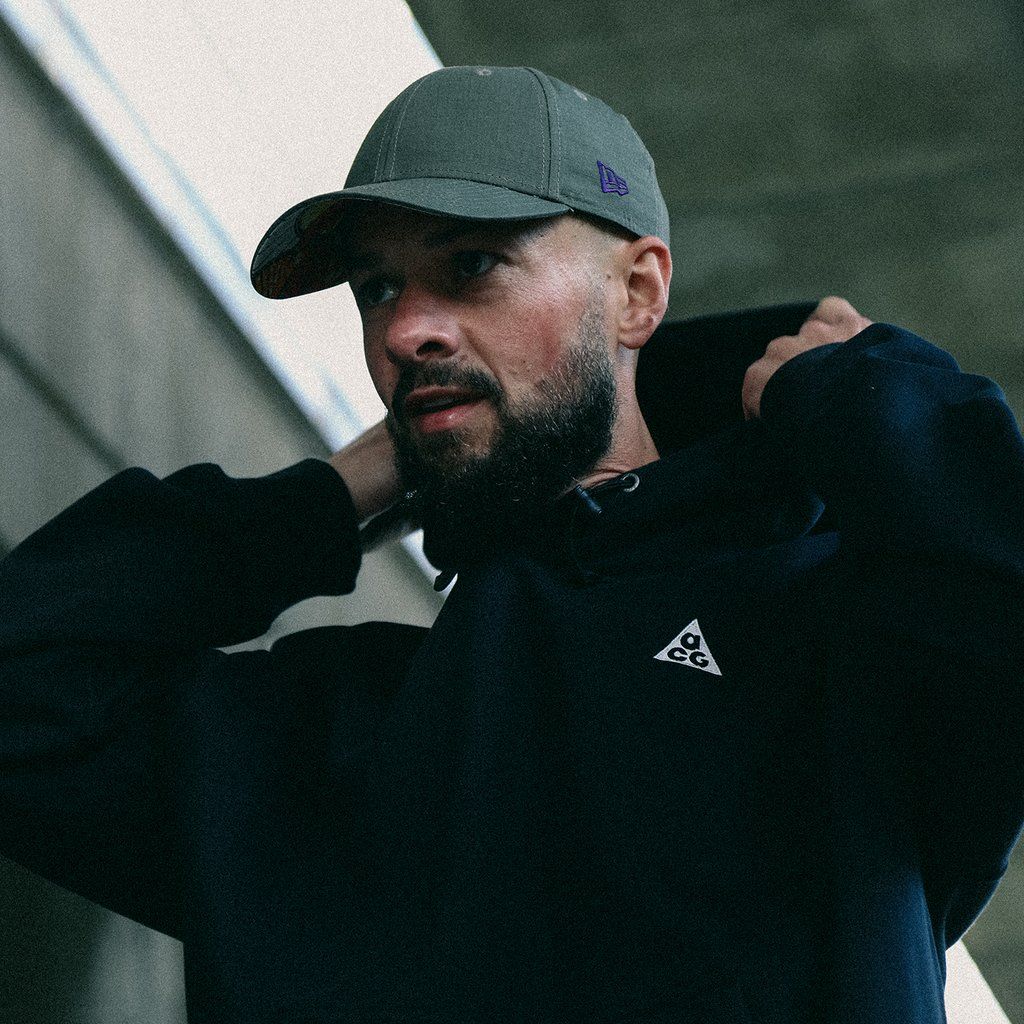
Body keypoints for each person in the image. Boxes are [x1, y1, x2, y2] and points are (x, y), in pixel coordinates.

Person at [0, 64, 1021, 1024]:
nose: (404, 332)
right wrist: (336, 489)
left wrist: (854, 394)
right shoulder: (333, 740)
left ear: (636, 293)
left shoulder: (837, 640)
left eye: (472, 264)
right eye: (376, 288)